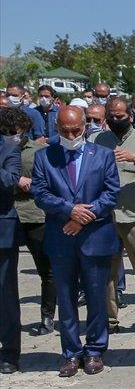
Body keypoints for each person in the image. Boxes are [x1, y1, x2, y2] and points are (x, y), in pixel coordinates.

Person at [31, 106, 121, 376]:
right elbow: (40, 193)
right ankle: (71, 353)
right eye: (64, 131)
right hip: (61, 238)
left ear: (85, 126)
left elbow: (111, 192)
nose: (70, 135)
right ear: (56, 128)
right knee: (67, 300)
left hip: (95, 236)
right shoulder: (44, 157)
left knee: (96, 296)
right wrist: (68, 210)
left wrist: (84, 215)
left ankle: (94, 351)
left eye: (76, 130)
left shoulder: (103, 155)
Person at [91, 95, 135, 337]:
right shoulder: (96, 139)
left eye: (119, 116)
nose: (115, 120)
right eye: (110, 117)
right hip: (106, 216)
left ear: (130, 116)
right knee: (107, 272)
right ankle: (109, 319)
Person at [7, 109, 56, 336]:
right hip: (7, 215)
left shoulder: (39, 151)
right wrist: (16, 181)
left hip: (35, 215)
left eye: (13, 131)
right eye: (4, 131)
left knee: (46, 270)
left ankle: (47, 316)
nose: (9, 135)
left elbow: (46, 183)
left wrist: (27, 184)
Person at [0, 112, 23, 373]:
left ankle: (9, 353)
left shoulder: (9, 149)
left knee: (5, 296)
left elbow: (10, 180)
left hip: (2, 235)